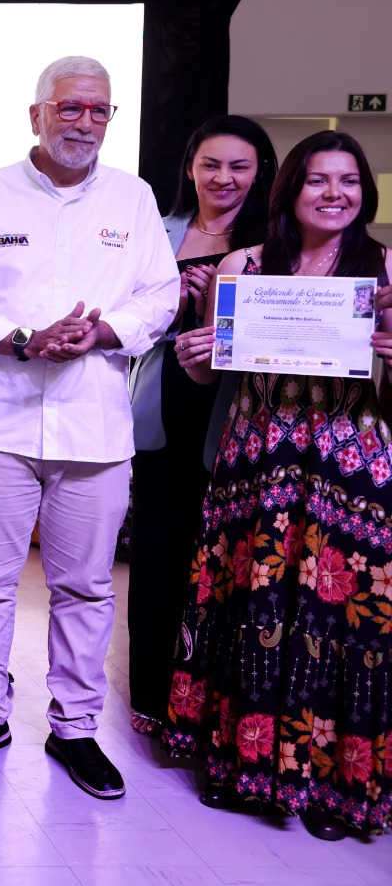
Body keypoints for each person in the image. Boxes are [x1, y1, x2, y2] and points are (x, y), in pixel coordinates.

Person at [0, 55, 178, 799]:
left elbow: (160, 296)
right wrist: (23, 338)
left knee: (86, 586)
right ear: (36, 114)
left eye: (99, 111)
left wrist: (103, 334)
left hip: (95, 428)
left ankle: (74, 726)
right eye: (70, 108)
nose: (85, 123)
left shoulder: (133, 199)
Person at [166, 130, 392, 840]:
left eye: (348, 180)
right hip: (256, 458)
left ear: (365, 191)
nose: (335, 194)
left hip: (349, 463)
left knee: (343, 624)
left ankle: (334, 784)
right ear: (290, 190)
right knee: (252, 607)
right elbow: (213, 374)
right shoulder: (245, 263)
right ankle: (245, 768)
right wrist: (192, 353)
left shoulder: (383, 268)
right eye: (318, 180)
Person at [125, 115, 276, 736]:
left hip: (238, 416)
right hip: (161, 408)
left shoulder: (275, 241)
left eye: (239, 166)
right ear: (190, 168)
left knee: (220, 562)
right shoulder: (155, 231)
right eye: (211, 164)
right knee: (156, 555)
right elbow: (123, 319)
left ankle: (210, 706)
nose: (224, 177)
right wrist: (173, 305)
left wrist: (227, 301)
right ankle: (150, 698)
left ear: (260, 173)